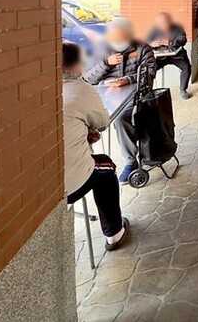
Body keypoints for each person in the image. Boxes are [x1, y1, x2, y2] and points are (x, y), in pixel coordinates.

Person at [62, 41, 131, 250]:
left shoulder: (35, 90)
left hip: (31, 189)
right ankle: (114, 233)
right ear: (76, 65)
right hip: (64, 185)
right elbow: (102, 123)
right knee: (106, 168)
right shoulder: (80, 88)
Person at [84, 17, 156, 183]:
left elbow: (149, 74)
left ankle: (130, 161)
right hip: (103, 94)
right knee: (83, 120)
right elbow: (88, 78)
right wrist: (105, 63)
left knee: (121, 119)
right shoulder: (100, 50)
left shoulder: (142, 48)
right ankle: (87, 164)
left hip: (132, 94)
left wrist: (128, 80)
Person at [147, 12, 192, 100]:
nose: (163, 25)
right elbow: (146, 42)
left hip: (177, 56)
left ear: (170, 21)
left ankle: (183, 89)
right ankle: (149, 91)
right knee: (149, 70)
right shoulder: (154, 30)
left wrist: (171, 42)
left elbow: (183, 40)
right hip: (161, 57)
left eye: (165, 22)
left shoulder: (178, 28)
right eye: (161, 23)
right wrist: (152, 44)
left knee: (186, 67)